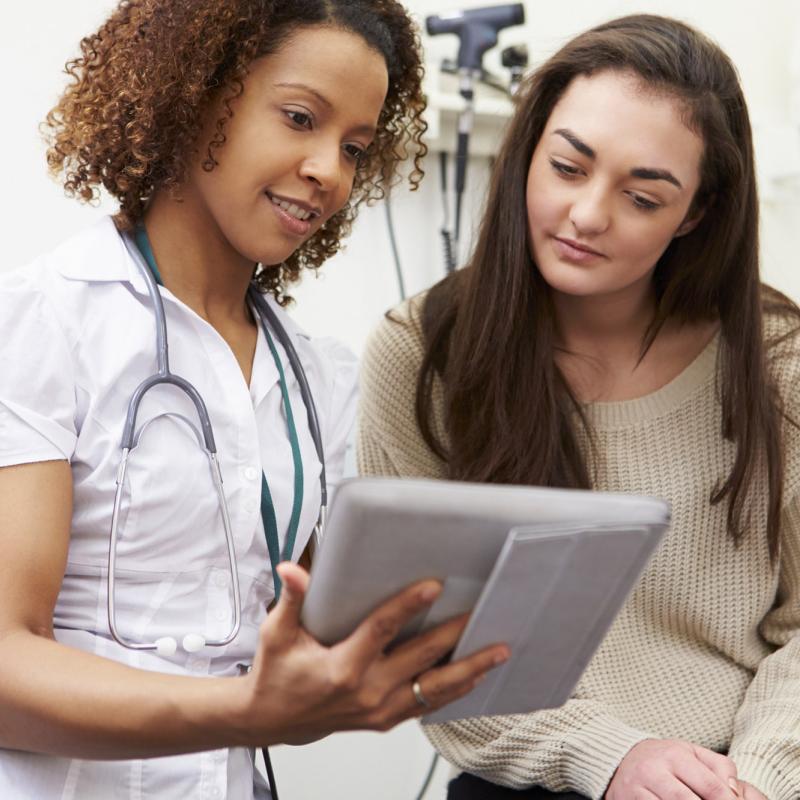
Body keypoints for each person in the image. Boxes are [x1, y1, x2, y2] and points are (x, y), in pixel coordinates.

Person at [0, 1, 511, 797]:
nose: (329, 172)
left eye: (354, 148)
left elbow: (311, 622)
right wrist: (242, 709)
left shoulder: (316, 376)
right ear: (194, 92)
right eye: (300, 118)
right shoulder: (44, 322)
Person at [358, 13, 800, 800]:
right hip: (532, 779)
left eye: (642, 196)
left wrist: (753, 782)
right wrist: (610, 756)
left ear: (695, 213)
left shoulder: (778, 363)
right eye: (568, 167)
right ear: (529, 153)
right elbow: (426, 651)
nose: (589, 215)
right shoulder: (423, 356)